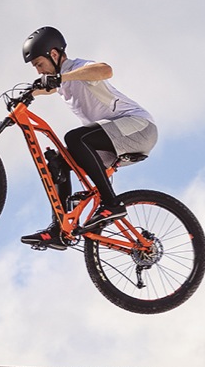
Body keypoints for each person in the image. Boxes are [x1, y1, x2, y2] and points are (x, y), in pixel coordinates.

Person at [18, 24, 160, 249]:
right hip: (113, 139)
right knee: (58, 162)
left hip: (140, 128)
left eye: (39, 64)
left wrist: (62, 77)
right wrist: (26, 94)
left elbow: (105, 70)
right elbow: (50, 87)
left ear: (53, 54)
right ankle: (59, 228)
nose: (38, 71)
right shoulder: (62, 82)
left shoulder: (78, 68)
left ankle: (111, 203)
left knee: (75, 138)